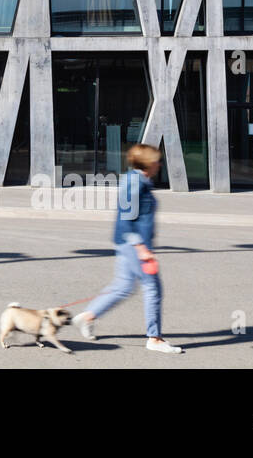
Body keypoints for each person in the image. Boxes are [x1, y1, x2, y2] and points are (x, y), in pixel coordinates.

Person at [72, 143, 184, 354]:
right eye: (157, 160)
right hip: (133, 244)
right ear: (149, 163)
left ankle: (88, 316)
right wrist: (141, 247)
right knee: (152, 288)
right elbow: (127, 218)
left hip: (129, 244)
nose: (160, 164)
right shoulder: (135, 183)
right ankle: (154, 338)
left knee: (123, 286)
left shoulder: (141, 181)